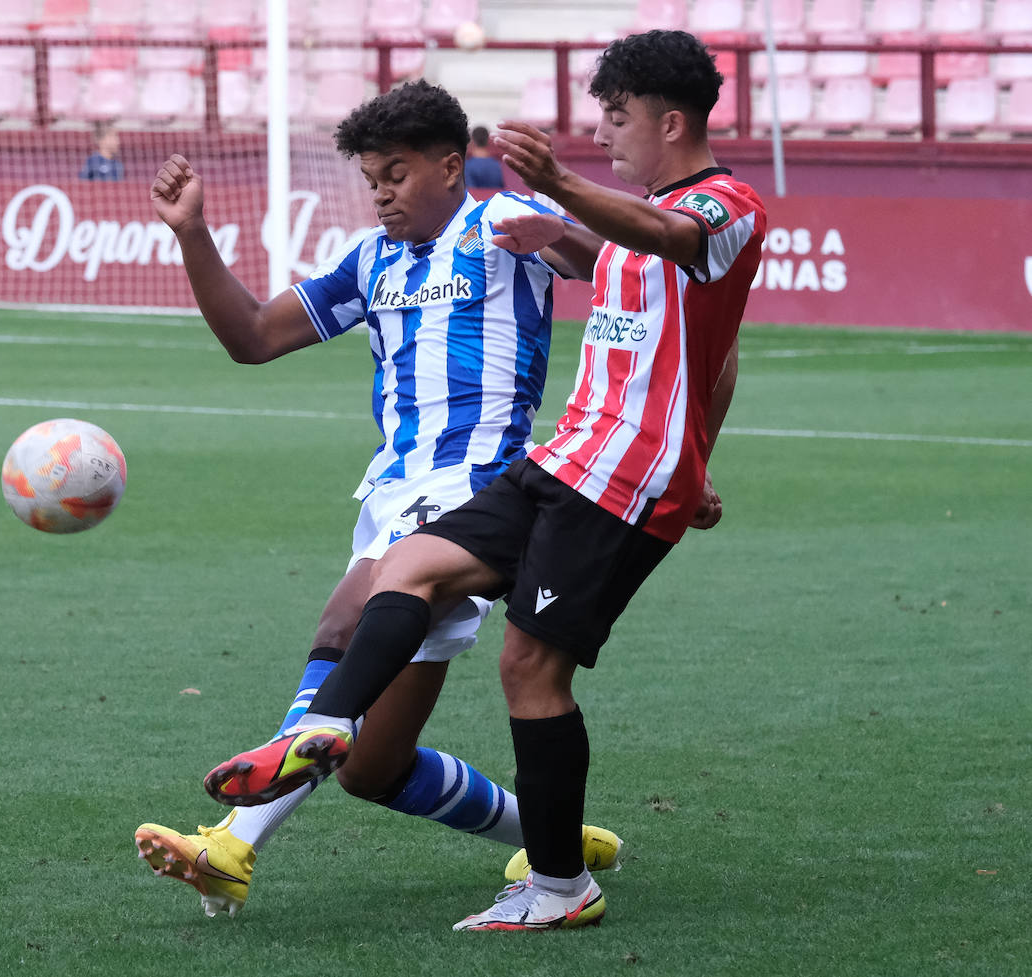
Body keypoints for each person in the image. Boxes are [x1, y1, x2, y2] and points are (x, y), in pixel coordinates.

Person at [203, 29, 765, 933]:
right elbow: (693, 327)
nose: (607, 135)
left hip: (626, 475)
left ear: (669, 120)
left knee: (528, 671)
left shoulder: (725, 206)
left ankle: (557, 886)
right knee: (411, 567)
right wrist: (570, 224)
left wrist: (553, 191)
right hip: (567, 454)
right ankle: (323, 729)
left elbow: (676, 259)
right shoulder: (624, 224)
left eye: (616, 119)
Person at [135, 79, 627, 919]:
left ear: (449, 164)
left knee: (343, 621)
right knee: (374, 766)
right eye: (372, 179)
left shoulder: (500, 226)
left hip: (476, 489)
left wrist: (565, 228)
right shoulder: (372, 260)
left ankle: (233, 844)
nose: (383, 193)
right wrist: (194, 236)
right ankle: (553, 831)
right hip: (391, 492)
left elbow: (612, 266)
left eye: (396, 173)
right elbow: (252, 337)